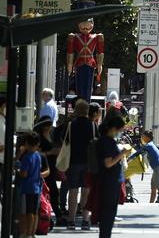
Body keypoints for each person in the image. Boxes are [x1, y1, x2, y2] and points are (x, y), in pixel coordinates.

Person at [96, 115, 131, 238]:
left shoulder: (109, 141)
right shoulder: (106, 142)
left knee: (109, 213)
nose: (120, 133)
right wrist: (122, 153)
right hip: (109, 182)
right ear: (113, 128)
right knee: (108, 213)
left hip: (112, 181)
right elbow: (108, 163)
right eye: (120, 130)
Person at [66, 99, 94, 230]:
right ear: (87, 111)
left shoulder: (71, 125)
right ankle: (85, 220)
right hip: (88, 162)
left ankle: (71, 220)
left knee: (73, 192)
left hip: (73, 161)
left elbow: (64, 141)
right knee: (86, 192)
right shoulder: (92, 125)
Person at [135, 130, 159, 203]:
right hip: (158, 168)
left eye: (143, 137)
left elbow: (138, 153)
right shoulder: (151, 144)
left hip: (158, 168)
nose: (142, 138)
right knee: (153, 187)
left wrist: (129, 158)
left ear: (147, 137)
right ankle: (150, 204)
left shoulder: (149, 145)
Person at [17, 131, 43, 238]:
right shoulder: (38, 156)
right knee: (33, 211)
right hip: (36, 188)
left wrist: (17, 169)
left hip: (27, 188)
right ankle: (31, 233)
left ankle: (25, 233)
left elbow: (24, 174)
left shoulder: (27, 157)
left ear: (27, 143)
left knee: (25, 212)